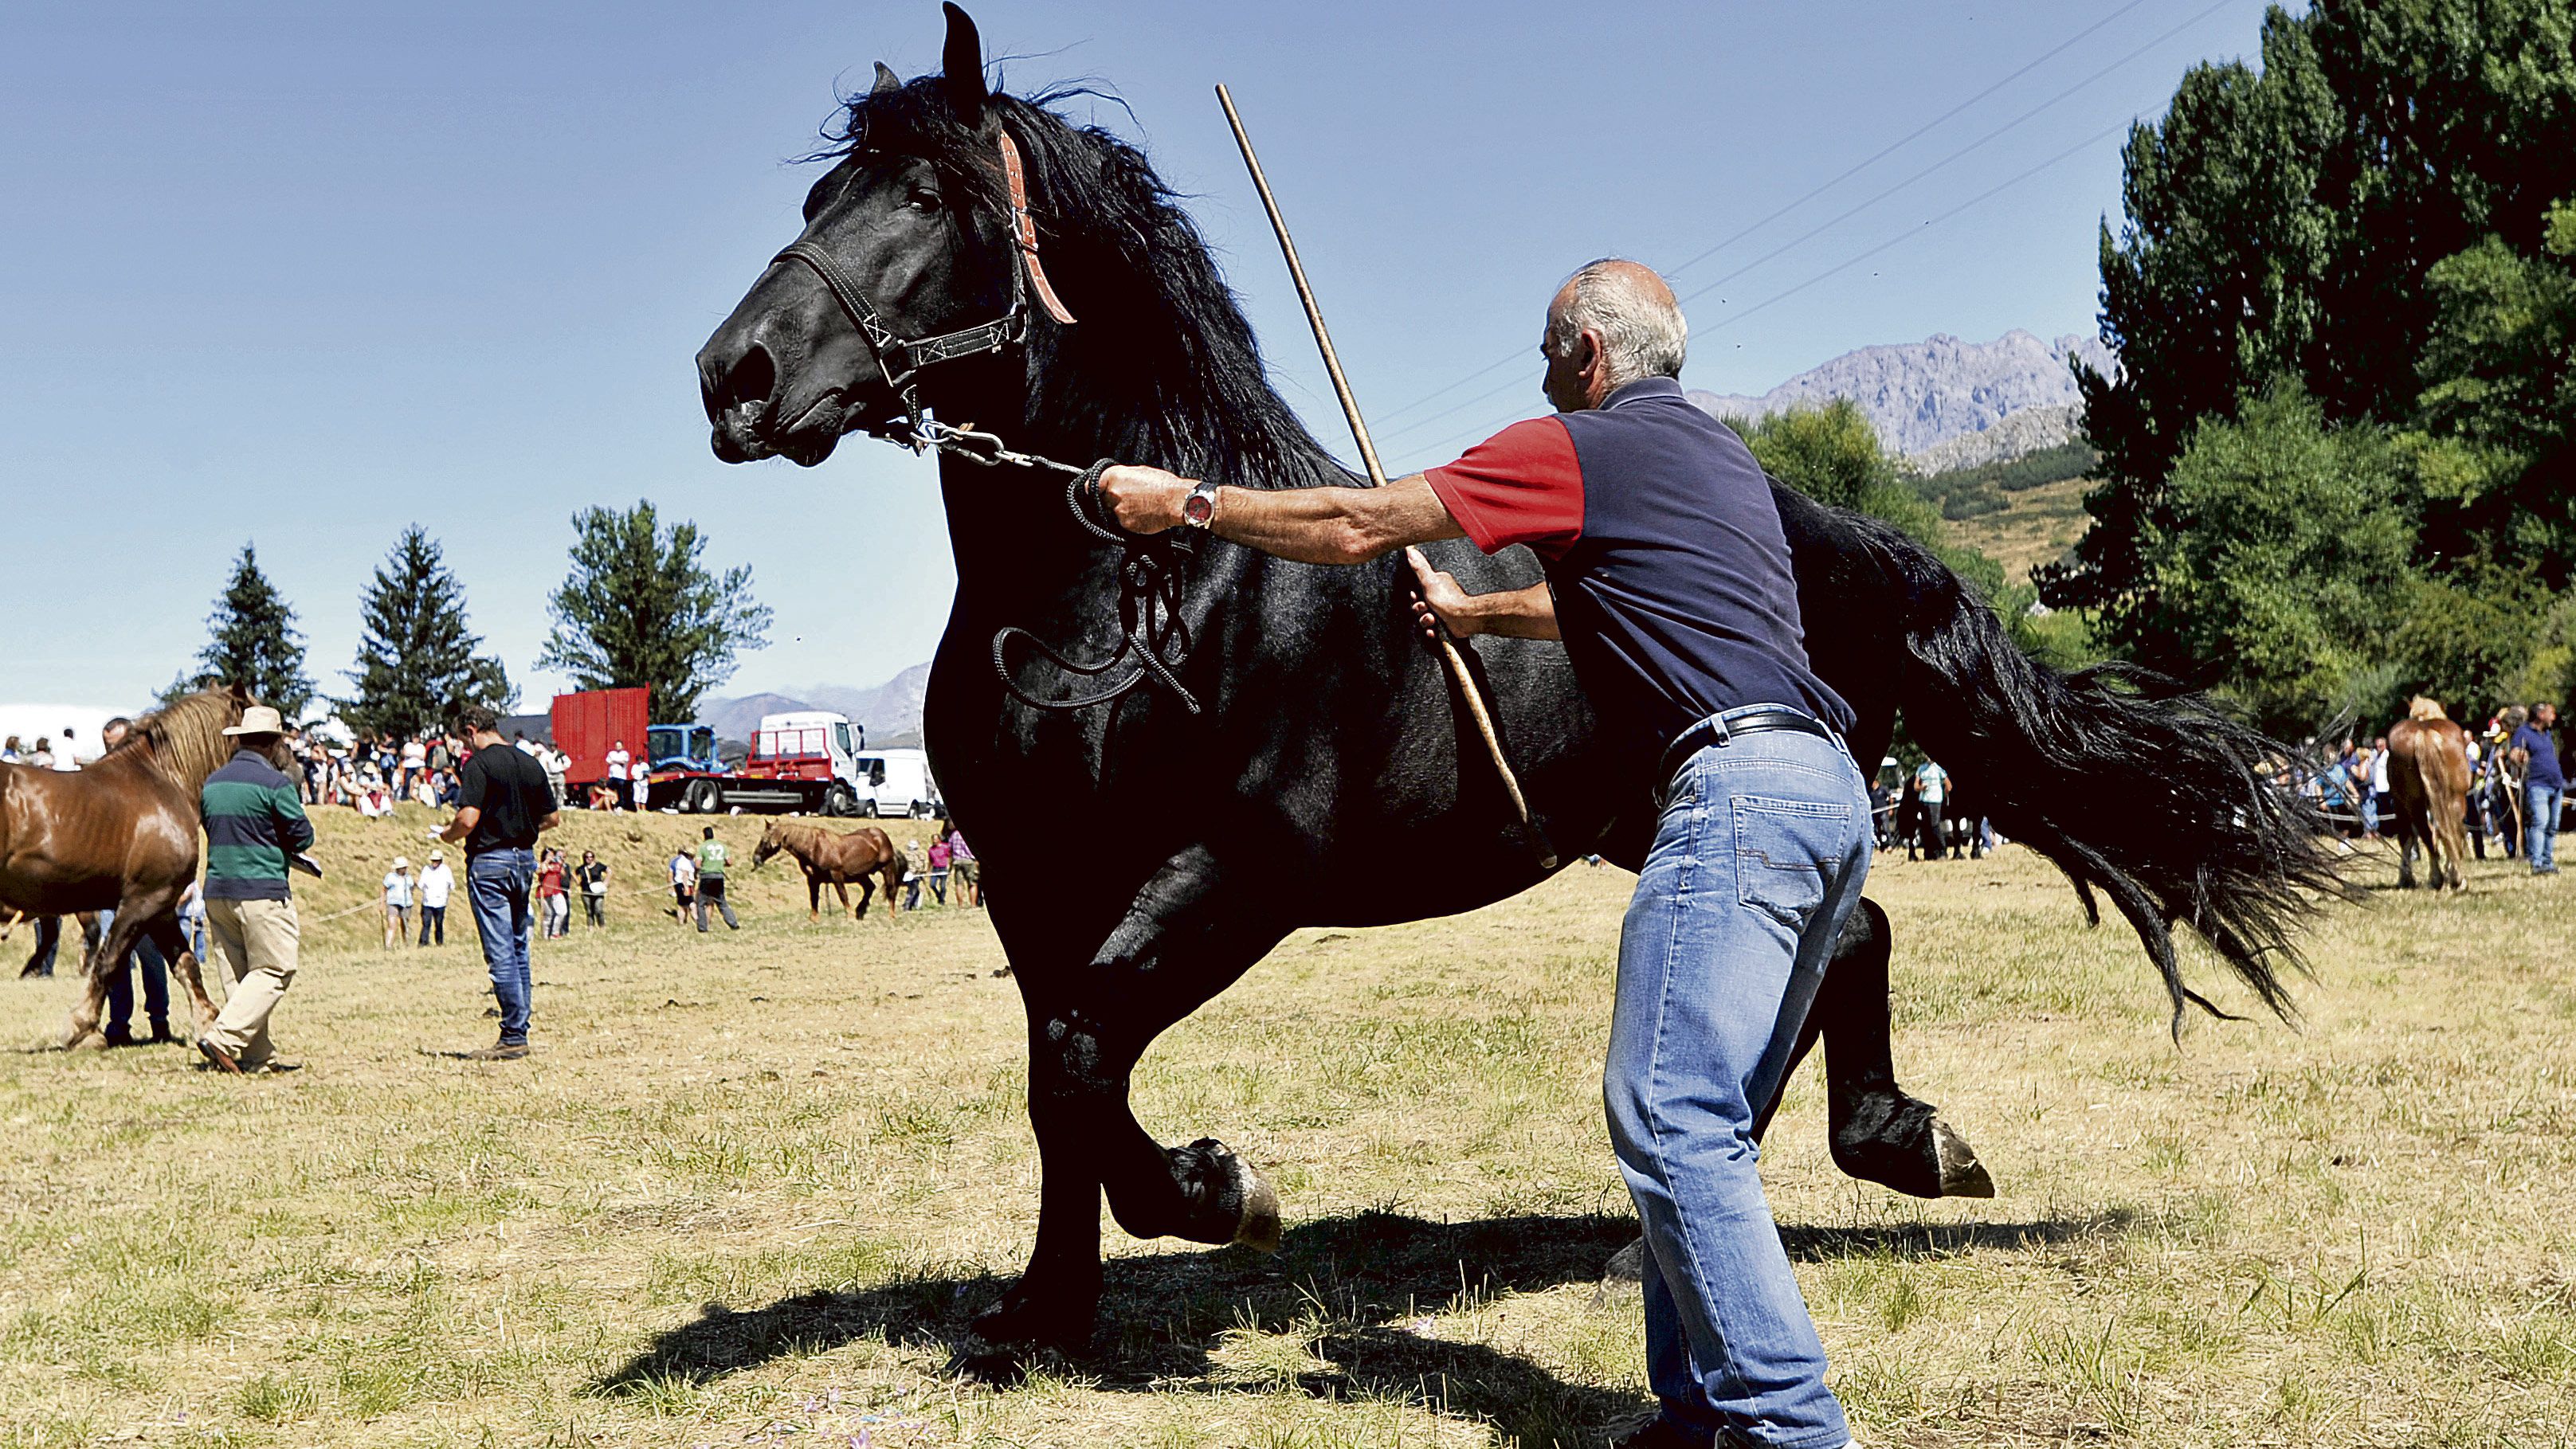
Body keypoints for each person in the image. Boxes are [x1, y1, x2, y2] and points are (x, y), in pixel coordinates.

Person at [1098, 258, 1866, 1449]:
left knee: (1668, 1114)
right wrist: (1473, 612)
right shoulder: (1720, 463)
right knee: (1701, 1128)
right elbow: (1609, 609)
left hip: (1734, 798)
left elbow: (1357, 521)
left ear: (1591, 355)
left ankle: (1792, 1432)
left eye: (1550, 352)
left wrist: (1185, 503)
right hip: (1825, 797)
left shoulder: (1576, 447)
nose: (1542, 374)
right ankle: (1694, 1412)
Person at [437, 706, 560, 1060]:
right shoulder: (529, 762)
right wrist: (520, 826)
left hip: (490, 862)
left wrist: (449, 835)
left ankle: (512, 1034)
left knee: (500, 949)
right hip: (524, 859)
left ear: (473, 729)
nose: (464, 747)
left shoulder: (479, 765)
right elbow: (552, 817)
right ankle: (519, 1026)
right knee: (520, 945)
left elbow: (468, 818)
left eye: (464, 739)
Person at [196, 705, 314, 1074]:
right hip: (261, 889)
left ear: (241, 740)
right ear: (275, 743)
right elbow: (303, 836)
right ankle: (223, 1038)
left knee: (240, 978)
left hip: (217, 888)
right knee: (276, 968)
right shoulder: (276, 783)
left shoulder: (213, 782)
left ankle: (256, 1058)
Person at [2510, 702, 2563, 875]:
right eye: (2551, 713)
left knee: (2552, 826)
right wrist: (2520, 757)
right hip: (2537, 785)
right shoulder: (2523, 733)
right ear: (2541, 715)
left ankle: (2548, 862)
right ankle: (2537, 863)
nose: (2553, 717)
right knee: (2540, 822)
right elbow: (2514, 754)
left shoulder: (2546, 733)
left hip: (2556, 785)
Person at [695, 826, 739, 931]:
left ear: (704, 835)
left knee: (701, 903)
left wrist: (705, 866)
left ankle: (702, 927)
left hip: (706, 876)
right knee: (722, 902)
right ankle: (733, 924)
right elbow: (730, 862)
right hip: (719, 876)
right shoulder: (722, 846)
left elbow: (697, 865)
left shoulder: (702, 847)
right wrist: (720, 865)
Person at [1913, 758, 1951, 861]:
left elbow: (1948, 785)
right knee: (1926, 827)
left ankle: (1942, 850)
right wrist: (1921, 788)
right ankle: (1929, 853)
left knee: (1935, 825)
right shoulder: (1921, 769)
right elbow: (1916, 786)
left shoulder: (1939, 768)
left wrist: (1944, 797)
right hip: (1924, 800)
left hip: (1936, 801)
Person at [418, 849, 453, 946]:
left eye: (436, 861)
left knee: (439, 924)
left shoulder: (446, 870)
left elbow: (452, 885)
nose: (434, 863)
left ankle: (439, 942)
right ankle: (423, 943)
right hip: (428, 902)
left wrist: (445, 894)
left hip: (441, 903)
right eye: (433, 860)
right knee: (426, 923)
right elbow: (420, 884)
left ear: (441, 861)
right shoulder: (426, 869)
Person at [382, 856, 415, 950]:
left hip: (406, 904)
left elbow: (411, 888)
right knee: (392, 924)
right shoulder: (390, 877)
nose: (403, 869)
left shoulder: (408, 877)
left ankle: (406, 944)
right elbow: (384, 890)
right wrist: (382, 903)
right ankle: (388, 946)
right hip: (393, 903)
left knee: (405, 925)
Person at [944, 823, 980, 907]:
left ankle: (960, 905)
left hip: (957, 861)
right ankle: (973, 904)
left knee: (959, 884)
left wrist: (950, 864)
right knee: (972, 884)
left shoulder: (954, 835)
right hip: (969, 861)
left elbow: (950, 850)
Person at [538, 848, 570, 939]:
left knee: (562, 912)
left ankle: (555, 933)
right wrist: (547, 861)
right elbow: (542, 871)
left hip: (557, 891)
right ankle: (545, 936)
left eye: (553, 855)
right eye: (550, 855)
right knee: (548, 916)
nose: (552, 857)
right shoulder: (541, 864)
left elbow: (563, 874)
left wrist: (559, 863)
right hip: (545, 892)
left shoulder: (557, 865)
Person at [578, 850, 610, 928]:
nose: (589, 859)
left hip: (598, 892)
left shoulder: (598, 866)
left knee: (598, 910)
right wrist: (578, 883)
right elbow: (574, 874)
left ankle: (602, 927)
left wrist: (606, 883)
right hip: (586, 892)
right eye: (587, 857)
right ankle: (590, 928)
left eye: (591, 857)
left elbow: (609, 871)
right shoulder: (582, 868)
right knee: (589, 911)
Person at [669, 847, 697, 926]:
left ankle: (681, 923)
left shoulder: (676, 861)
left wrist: (670, 886)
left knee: (681, 905)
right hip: (686, 884)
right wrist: (687, 888)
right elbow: (685, 875)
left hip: (677, 884)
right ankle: (697, 920)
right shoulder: (687, 862)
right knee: (692, 904)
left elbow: (670, 874)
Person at [604, 739, 633, 812]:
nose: (618, 747)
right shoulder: (611, 753)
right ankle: (611, 807)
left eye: (619, 745)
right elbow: (608, 762)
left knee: (620, 792)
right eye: (617, 746)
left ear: (622, 746)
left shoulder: (625, 753)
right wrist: (617, 762)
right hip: (612, 776)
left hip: (621, 777)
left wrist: (614, 761)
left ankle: (620, 806)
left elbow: (624, 762)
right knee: (610, 792)